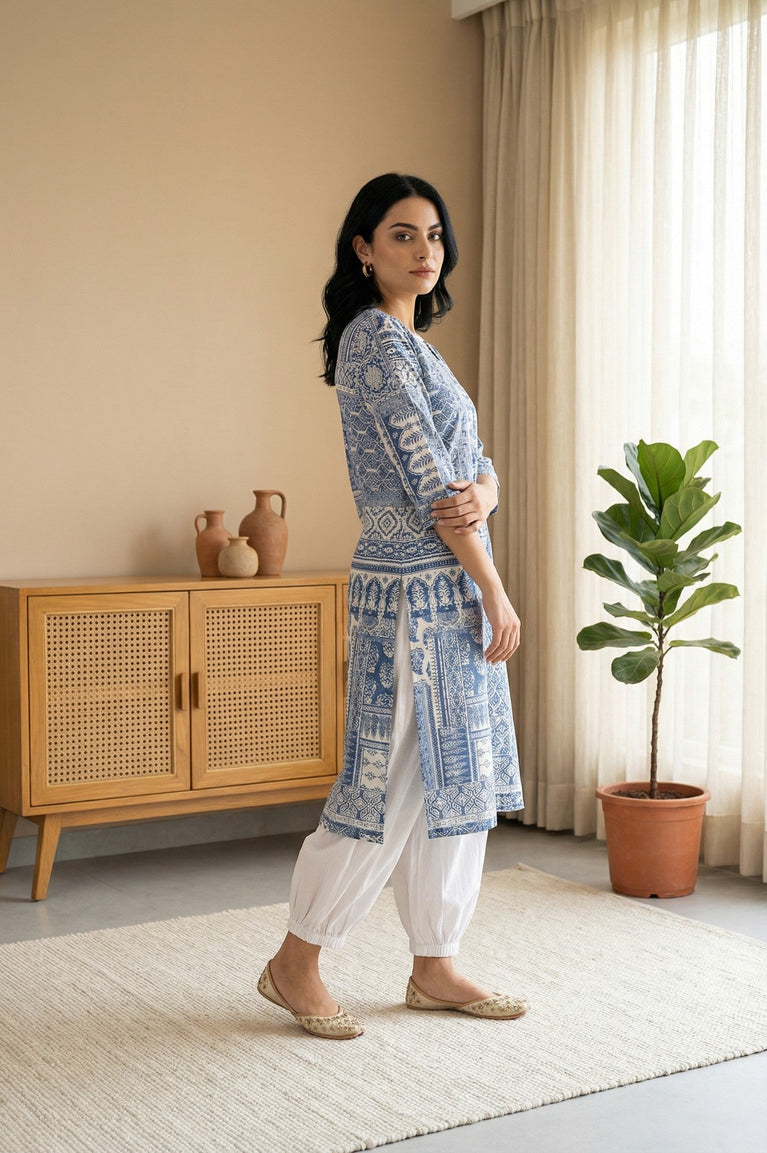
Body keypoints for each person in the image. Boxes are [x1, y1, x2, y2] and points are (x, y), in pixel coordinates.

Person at [258, 173, 525, 1039]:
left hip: (452, 581)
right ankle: (297, 959)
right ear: (363, 249)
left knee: (459, 774)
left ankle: (434, 962)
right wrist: (492, 585)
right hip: (412, 588)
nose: (424, 250)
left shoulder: (419, 347)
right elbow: (433, 486)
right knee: (389, 777)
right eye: (403, 234)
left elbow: (477, 469)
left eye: (434, 235)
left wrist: (487, 491)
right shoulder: (372, 339)